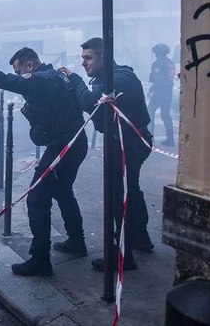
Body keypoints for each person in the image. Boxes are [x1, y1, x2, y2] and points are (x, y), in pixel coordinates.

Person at [0, 46, 88, 277]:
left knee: (37, 198)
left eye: (20, 71)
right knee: (62, 191)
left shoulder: (40, 79)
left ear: (30, 65)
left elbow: (3, 80)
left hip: (63, 145)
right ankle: (77, 241)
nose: (19, 76)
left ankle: (40, 259)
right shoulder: (55, 76)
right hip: (74, 143)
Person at [60, 37, 154, 272]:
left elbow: (90, 101)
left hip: (128, 143)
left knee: (117, 196)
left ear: (103, 56)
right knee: (130, 189)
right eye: (82, 58)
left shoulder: (117, 78)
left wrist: (75, 79)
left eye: (88, 58)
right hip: (130, 141)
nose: (84, 63)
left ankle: (123, 256)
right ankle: (139, 237)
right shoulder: (114, 76)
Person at [147, 43, 175, 147]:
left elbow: (158, 80)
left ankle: (149, 137)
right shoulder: (170, 63)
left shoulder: (157, 64)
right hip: (168, 92)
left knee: (150, 111)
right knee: (165, 114)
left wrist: (150, 91)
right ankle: (170, 139)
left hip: (159, 91)